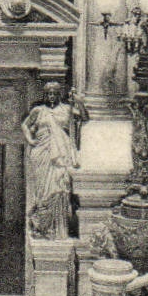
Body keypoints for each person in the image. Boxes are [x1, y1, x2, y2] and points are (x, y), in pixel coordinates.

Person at [20, 82, 88, 240]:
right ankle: (43, 225)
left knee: (59, 188)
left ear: (59, 95)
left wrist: (78, 101)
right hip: (42, 153)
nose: (51, 96)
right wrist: (30, 140)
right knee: (43, 192)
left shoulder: (67, 109)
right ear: (45, 95)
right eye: (48, 94)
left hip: (61, 154)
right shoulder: (39, 110)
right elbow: (25, 124)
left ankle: (57, 229)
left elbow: (84, 117)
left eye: (54, 94)